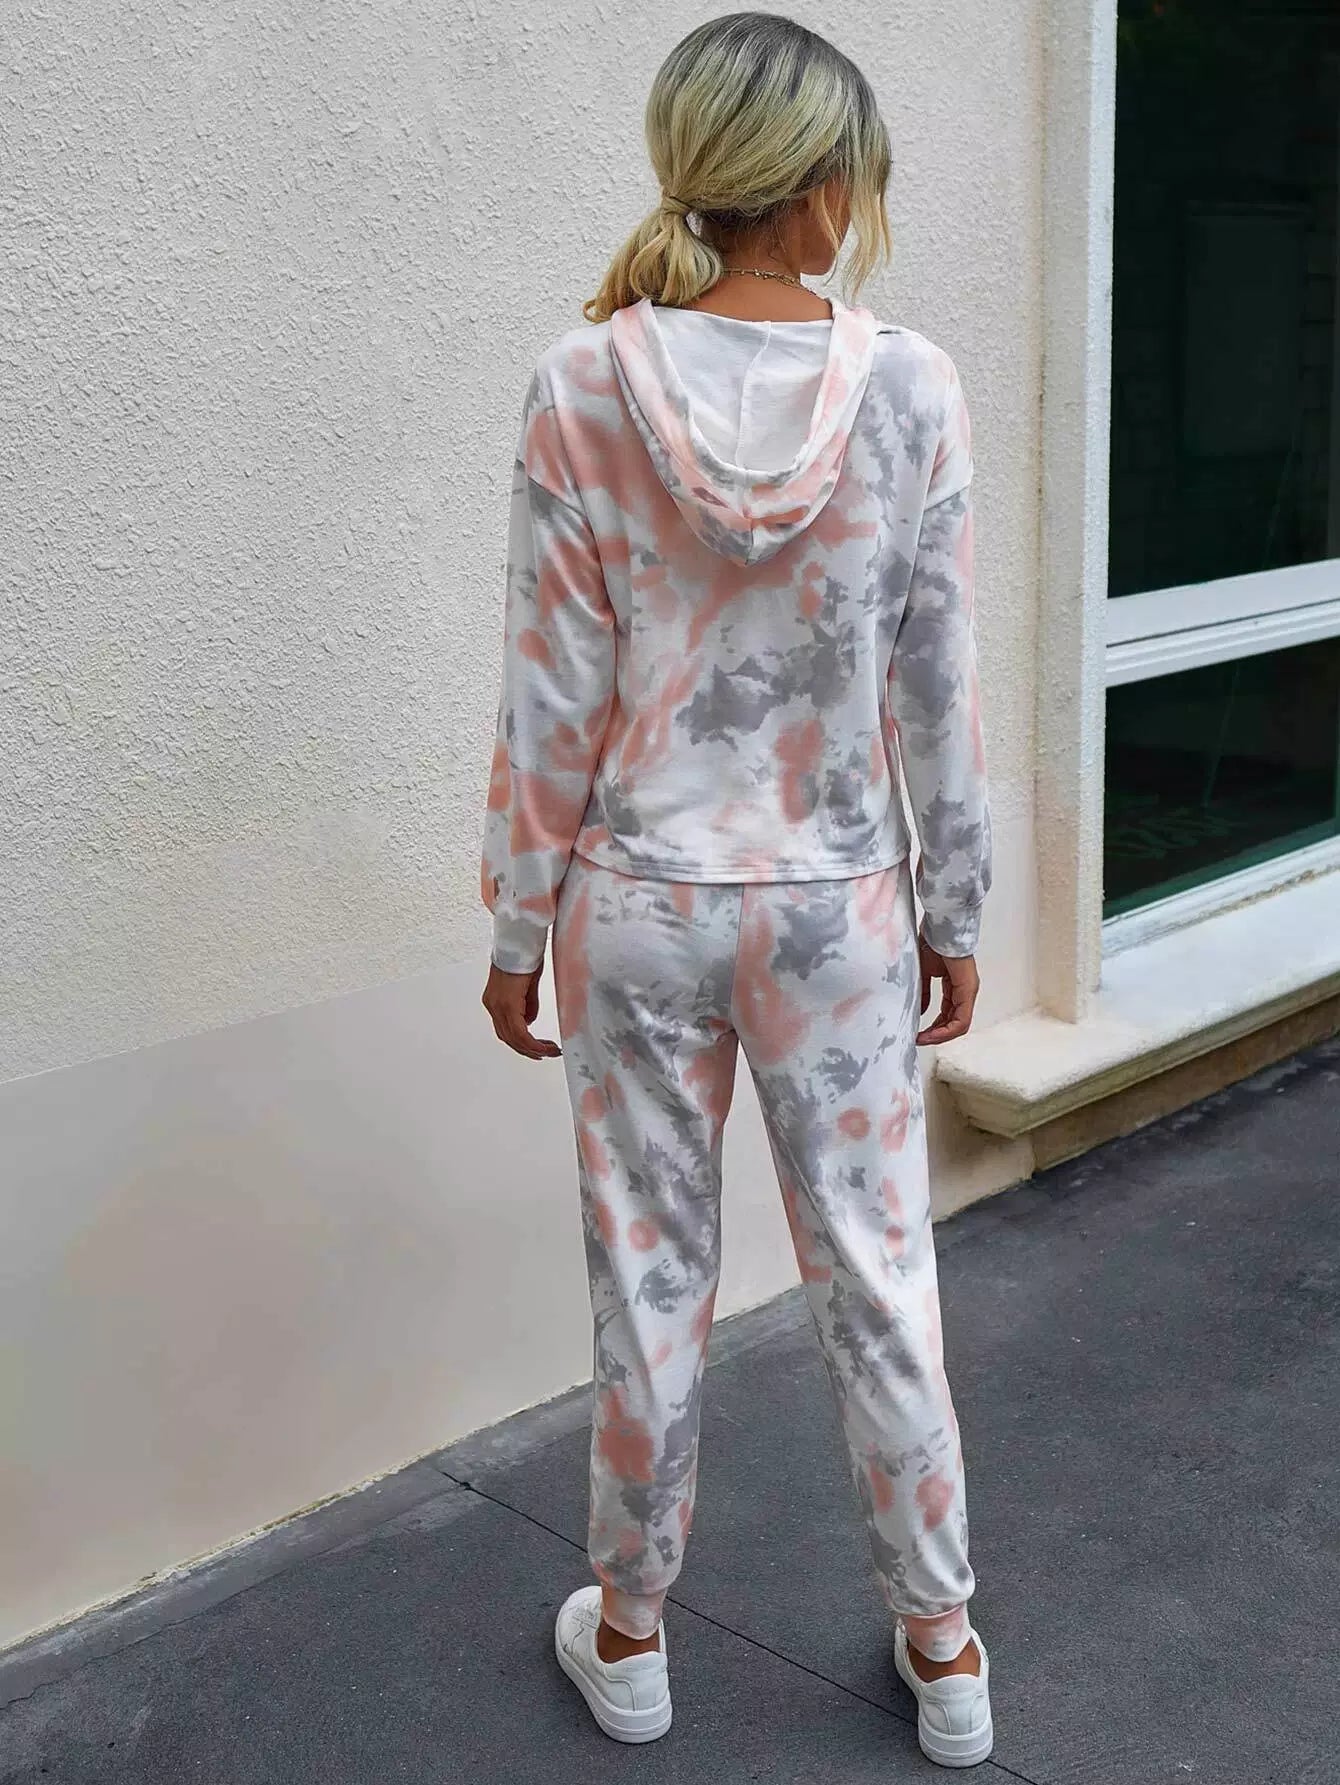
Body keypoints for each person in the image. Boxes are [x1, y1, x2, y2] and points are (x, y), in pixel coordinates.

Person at [479, 11, 993, 1769]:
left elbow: (550, 688)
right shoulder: (912, 387)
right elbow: (939, 680)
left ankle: (629, 1634)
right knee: (880, 1269)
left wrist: (514, 916)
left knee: (648, 1273)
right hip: (837, 906)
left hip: (636, 896)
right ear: (824, 187)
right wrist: (956, 907)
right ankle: (946, 1648)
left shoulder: (580, 382)